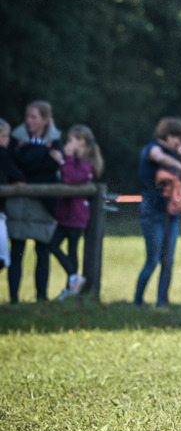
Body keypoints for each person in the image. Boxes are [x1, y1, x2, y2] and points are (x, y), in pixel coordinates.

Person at [133, 117, 181, 309]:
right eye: (178, 138)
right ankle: (138, 301)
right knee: (152, 260)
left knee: (168, 261)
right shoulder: (153, 149)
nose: (179, 142)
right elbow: (158, 157)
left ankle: (162, 302)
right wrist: (179, 165)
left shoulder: (174, 157)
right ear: (168, 135)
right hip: (152, 213)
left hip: (171, 214)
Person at [7, 101, 62, 303]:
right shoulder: (16, 139)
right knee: (17, 254)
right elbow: (13, 164)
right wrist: (43, 157)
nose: (28, 121)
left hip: (42, 207)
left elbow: (50, 168)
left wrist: (29, 162)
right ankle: (13, 298)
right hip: (19, 207)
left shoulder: (55, 141)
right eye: (27, 116)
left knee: (43, 253)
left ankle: (41, 298)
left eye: (34, 117)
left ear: (45, 120)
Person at [49, 125, 104, 300]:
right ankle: (73, 279)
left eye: (71, 140)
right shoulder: (76, 161)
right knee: (55, 245)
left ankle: (72, 281)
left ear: (82, 142)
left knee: (67, 248)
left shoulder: (86, 163)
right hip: (66, 214)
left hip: (76, 215)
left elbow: (71, 179)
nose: (68, 144)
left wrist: (64, 160)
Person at [0, 118, 27, 275]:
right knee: (3, 258)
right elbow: (18, 176)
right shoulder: (2, 155)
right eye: (4, 137)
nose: (7, 140)